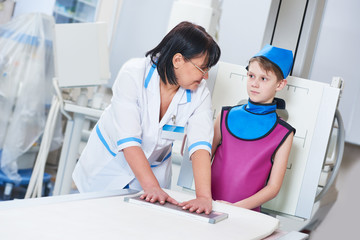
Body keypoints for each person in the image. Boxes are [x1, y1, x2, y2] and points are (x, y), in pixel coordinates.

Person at [72, 21, 221, 214]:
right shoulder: (133, 74)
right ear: (178, 60)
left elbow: (200, 145)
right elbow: (129, 140)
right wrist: (151, 187)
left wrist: (203, 197)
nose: (205, 76)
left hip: (154, 172)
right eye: (202, 68)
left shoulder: (200, 93)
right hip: (110, 167)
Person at [211, 44, 295, 212]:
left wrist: (235, 209)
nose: (254, 84)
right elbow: (202, 158)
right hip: (209, 205)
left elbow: (273, 188)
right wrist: (206, 198)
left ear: (280, 84)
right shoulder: (225, 115)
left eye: (263, 79)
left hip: (247, 215)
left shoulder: (284, 133)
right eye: (251, 76)